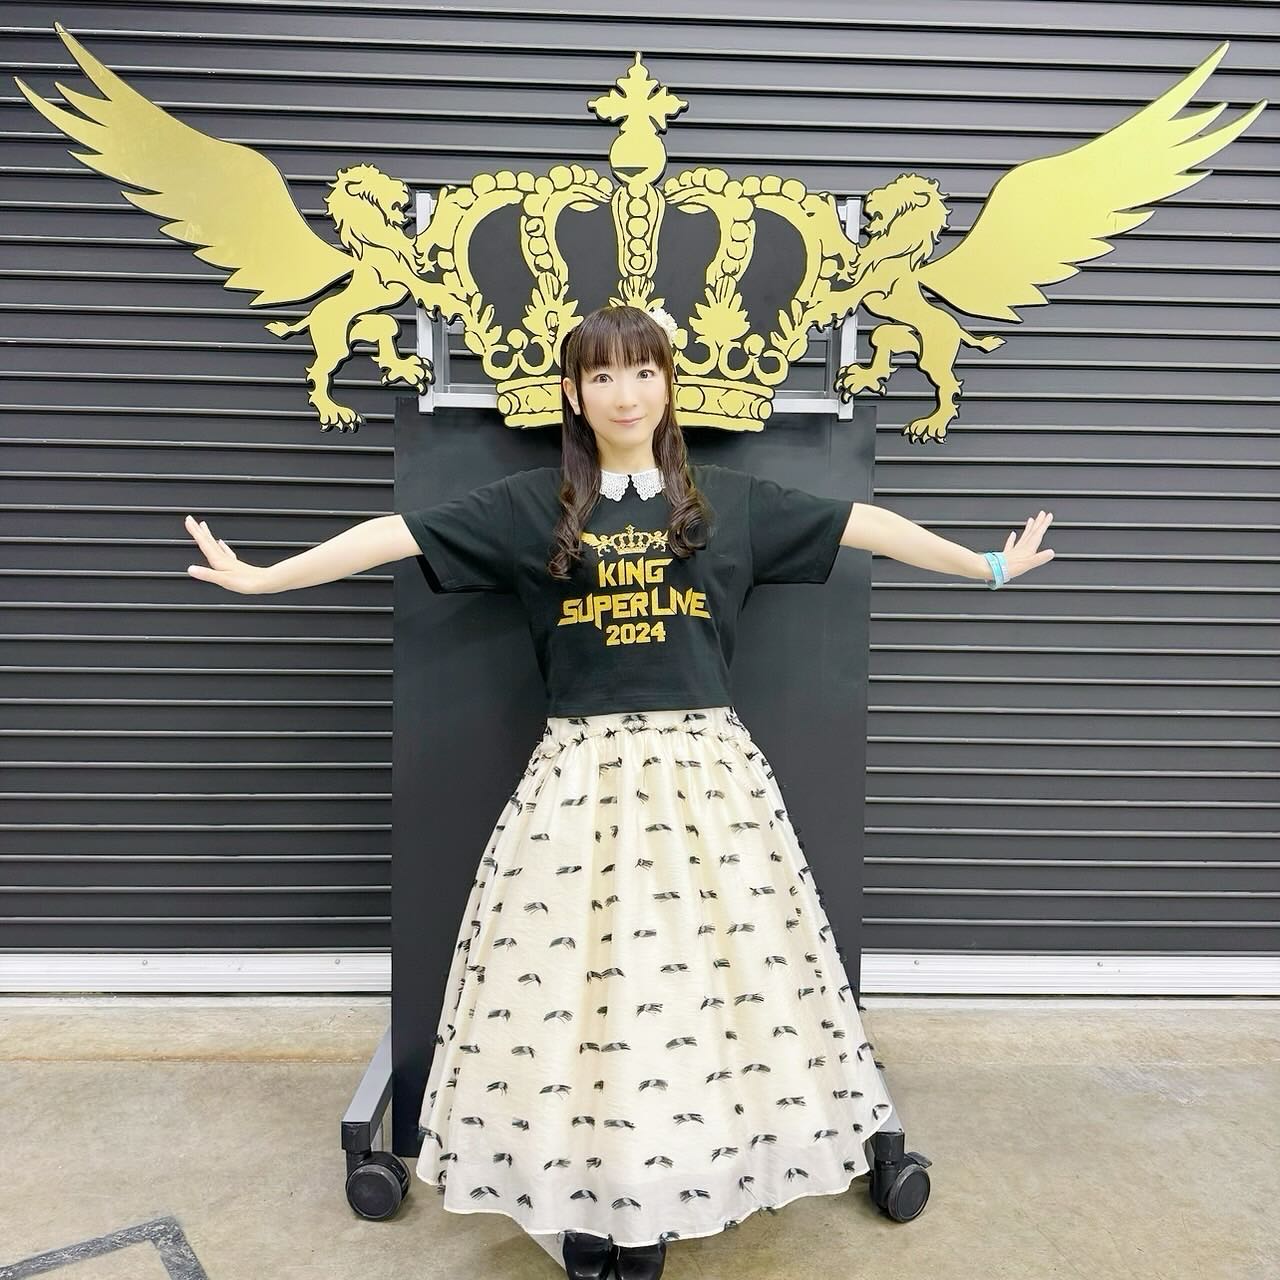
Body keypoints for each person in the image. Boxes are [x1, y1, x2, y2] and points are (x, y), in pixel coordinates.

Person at [184, 303, 1054, 1279]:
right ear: (573, 392)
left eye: (642, 371)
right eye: (601, 375)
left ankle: (659, 1208)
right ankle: (589, 1206)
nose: (625, 393)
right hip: (578, 781)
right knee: (576, 1003)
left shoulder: (729, 502)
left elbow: (863, 524)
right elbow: (395, 534)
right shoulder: (531, 507)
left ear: (668, 383)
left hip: (705, 785)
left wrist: (983, 564)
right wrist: (264, 578)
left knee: (696, 1000)